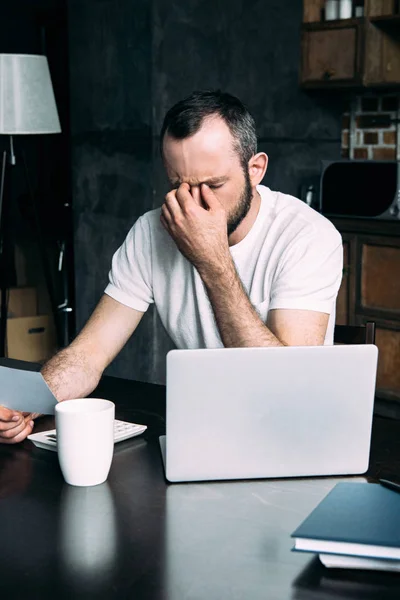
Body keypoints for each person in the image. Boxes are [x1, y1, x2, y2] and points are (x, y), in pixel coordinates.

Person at [0, 90, 343, 444]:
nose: (193, 203)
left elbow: (286, 391)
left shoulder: (307, 236)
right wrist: (25, 405)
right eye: (179, 185)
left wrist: (213, 260)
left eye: (213, 185)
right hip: (199, 427)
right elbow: (89, 355)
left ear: (255, 169)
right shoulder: (151, 232)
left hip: (284, 434)